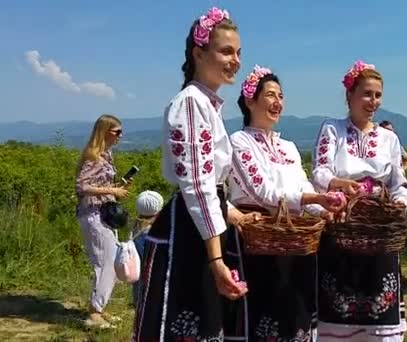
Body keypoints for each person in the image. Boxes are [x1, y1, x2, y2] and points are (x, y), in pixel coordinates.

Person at [133, 7, 258, 341]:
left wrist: (233, 214)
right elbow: (198, 185)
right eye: (226, 51)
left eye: (238, 53)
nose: (235, 60)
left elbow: (211, 187)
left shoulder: (207, 105)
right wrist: (216, 258)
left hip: (202, 228)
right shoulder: (190, 104)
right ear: (199, 53)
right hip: (189, 234)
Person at [225, 65, 343, 341]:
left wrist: (325, 211)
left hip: (294, 239)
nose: (278, 102)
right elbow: (262, 192)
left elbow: (302, 185)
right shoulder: (239, 142)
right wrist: (315, 198)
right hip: (257, 240)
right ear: (250, 100)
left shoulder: (288, 147)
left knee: (295, 315)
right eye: (270, 95)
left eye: (281, 95)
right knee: (263, 314)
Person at [312, 60, 407, 341]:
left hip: (379, 227)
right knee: (339, 302)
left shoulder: (389, 138)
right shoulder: (333, 130)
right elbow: (320, 171)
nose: (373, 101)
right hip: (344, 219)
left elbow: (399, 181)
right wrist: (339, 184)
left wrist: (399, 205)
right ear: (350, 96)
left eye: (378, 95)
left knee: (380, 309)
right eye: (367, 94)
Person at [75, 114, 129, 328]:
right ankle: (95, 313)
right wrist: (111, 189)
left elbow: (100, 184)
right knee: (104, 262)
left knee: (112, 261)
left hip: (104, 214)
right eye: (117, 132)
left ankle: (99, 308)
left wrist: (118, 187)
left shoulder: (107, 156)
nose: (120, 136)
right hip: (93, 215)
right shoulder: (93, 157)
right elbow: (81, 187)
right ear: (105, 132)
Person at [131, 190, 164, 304]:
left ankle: (138, 300)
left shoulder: (136, 227)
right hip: (151, 279)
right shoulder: (153, 232)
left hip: (138, 275)